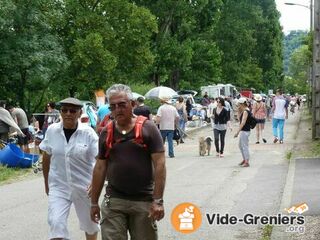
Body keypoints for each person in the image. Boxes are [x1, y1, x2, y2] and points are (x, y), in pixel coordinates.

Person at [90, 84, 166, 240]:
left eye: (122, 105)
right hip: (114, 201)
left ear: (132, 104)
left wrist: (158, 200)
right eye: (113, 106)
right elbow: (100, 167)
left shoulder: (148, 128)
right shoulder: (107, 132)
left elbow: (160, 165)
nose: (118, 109)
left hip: (143, 202)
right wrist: (94, 203)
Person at [39, 97, 99, 240]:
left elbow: (99, 161)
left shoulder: (88, 133)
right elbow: (46, 157)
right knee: (56, 223)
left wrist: (95, 182)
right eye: (64, 110)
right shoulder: (52, 131)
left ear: (80, 113)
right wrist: (47, 183)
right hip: (59, 186)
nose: (68, 114)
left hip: (84, 186)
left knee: (90, 225)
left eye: (72, 111)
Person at [234, 97, 251, 167]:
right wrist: (238, 111)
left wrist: (237, 132)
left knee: (244, 146)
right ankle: (245, 159)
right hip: (244, 130)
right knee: (241, 145)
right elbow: (239, 119)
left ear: (242, 104)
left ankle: (246, 161)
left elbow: (242, 123)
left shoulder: (246, 111)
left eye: (239, 104)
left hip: (245, 131)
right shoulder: (244, 110)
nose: (238, 106)